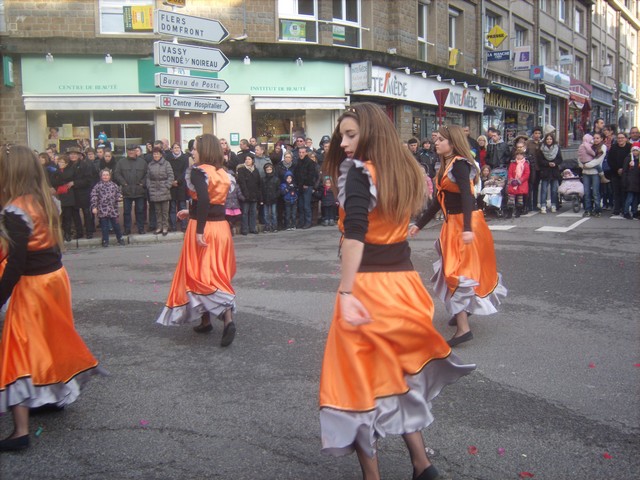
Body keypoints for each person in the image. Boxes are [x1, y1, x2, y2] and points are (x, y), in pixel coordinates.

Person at [319, 105, 476, 480]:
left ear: (371, 133)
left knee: (355, 382)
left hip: (369, 287)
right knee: (394, 375)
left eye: (351, 134)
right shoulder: (404, 170)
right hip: (404, 285)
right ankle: (422, 464)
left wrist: (346, 291)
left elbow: (355, 231)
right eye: (342, 135)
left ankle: (373, 476)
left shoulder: (359, 173)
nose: (344, 143)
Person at [0, 144, 104, 452]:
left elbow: (16, 262)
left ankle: (20, 430)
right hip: (55, 278)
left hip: (33, 285)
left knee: (18, 347)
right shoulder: (47, 201)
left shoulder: (15, 208)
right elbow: (53, 248)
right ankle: (52, 397)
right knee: (51, 338)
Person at [409, 124, 506, 346]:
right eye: (436, 140)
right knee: (452, 272)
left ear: (452, 142)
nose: (436, 143)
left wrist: (468, 229)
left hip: (463, 224)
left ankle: (463, 328)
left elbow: (467, 196)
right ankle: (462, 312)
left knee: (455, 274)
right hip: (454, 225)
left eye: (441, 140)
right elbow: (438, 201)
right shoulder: (446, 165)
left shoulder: (460, 165)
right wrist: (420, 224)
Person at [156, 134, 237, 347]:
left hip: (204, 228)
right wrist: (188, 211)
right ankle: (208, 320)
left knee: (200, 274)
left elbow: (204, 200)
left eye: (195, 148)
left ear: (204, 150)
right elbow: (215, 203)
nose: (192, 151)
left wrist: (199, 228)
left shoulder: (199, 171)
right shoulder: (223, 173)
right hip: (221, 228)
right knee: (216, 272)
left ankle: (224, 318)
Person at [115, 144, 147, 234]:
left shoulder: (142, 162)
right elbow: (117, 173)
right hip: (127, 190)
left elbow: (147, 174)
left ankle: (140, 228)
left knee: (140, 211)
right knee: (126, 212)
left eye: (132, 150)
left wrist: (142, 183)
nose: (131, 152)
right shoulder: (121, 162)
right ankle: (127, 229)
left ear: (136, 151)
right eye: (129, 151)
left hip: (139, 191)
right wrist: (123, 183)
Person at [90, 169, 126, 247]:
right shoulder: (98, 186)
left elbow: (118, 194)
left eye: (107, 175)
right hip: (102, 210)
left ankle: (120, 238)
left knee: (116, 226)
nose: (105, 176)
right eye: (104, 175)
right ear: (101, 176)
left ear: (110, 176)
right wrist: (94, 207)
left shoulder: (114, 185)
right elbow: (94, 197)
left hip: (113, 210)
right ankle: (105, 240)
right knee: (104, 227)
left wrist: (119, 197)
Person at [146, 146, 174, 236]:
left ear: (161, 155)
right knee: (157, 211)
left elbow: (171, 176)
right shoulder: (150, 164)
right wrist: (149, 186)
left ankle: (165, 227)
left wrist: (167, 186)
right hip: (154, 189)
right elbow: (148, 177)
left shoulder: (166, 164)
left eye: (157, 154)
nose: (156, 155)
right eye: (154, 154)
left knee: (165, 211)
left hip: (164, 189)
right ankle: (159, 227)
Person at [51, 154, 79, 242]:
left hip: (68, 196)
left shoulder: (70, 170)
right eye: (59, 162)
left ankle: (67, 233)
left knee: (67, 216)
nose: (60, 164)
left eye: (62, 162)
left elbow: (66, 178)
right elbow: (53, 181)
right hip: (59, 195)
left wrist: (60, 179)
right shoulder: (55, 171)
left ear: (66, 163)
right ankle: (60, 233)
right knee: (59, 216)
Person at [579, 132, 606, 217]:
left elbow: (598, 160)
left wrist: (586, 165)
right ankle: (588, 209)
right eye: (594, 138)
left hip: (595, 172)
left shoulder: (602, 147)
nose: (595, 140)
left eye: (598, 138)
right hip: (585, 172)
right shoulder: (587, 145)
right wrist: (582, 165)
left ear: (601, 139)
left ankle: (597, 209)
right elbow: (580, 156)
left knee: (595, 192)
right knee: (586, 192)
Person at [606, 132, 631, 216]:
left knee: (624, 191)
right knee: (616, 191)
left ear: (626, 139)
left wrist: (624, 169)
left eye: (622, 138)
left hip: (626, 173)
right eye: (618, 138)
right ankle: (617, 208)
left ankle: (624, 208)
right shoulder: (614, 148)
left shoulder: (629, 147)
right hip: (615, 172)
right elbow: (610, 160)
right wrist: (617, 169)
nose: (620, 139)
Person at [166, 142, 189, 232]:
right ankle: (173, 226)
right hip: (171, 185)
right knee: (172, 207)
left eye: (178, 148)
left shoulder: (185, 158)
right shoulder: (168, 158)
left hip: (181, 185)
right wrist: (172, 181)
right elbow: (167, 170)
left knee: (182, 206)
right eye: (175, 148)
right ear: (172, 149)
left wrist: (178, 181)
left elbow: (185, 171)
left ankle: (183, 225)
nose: (176, 149)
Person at [237, 155, 262, 235]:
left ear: (252, 160)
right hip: (245, 194)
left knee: (253, 212)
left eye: (249, 159)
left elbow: (258, 183)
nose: (247, 160)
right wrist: (245, 193)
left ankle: (253, 228)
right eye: (246, 159)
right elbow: (242, 183)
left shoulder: (256, 170)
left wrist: (258, 194)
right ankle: (244, 229)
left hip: (254, 194)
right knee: (244, 212)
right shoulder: (241, 169)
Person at [538, 133, 563, 214]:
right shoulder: (542, 148)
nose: (549, 141)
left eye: (550, 139)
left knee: (554, 189)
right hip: (545, 171)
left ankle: (554, 205)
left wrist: (555, 163)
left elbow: (560, 159)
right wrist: (547, 163)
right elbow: (540, 160)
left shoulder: (557, 148)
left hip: (554, 171)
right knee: (544, 189)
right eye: (547, 139)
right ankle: (543, 205)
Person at [293, 146, 317, 229]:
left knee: (306, 205)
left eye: (303, 152)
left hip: (307, 186)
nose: (301, 154)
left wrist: (306, 184)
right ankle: (301, 222)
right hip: (299, 186)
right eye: (299, 152)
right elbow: (296, 173)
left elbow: (311, 175)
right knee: (300, 205)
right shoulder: (297, 162)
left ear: (306, 153)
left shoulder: (310, 162)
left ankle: (308, 222)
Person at [506, 151, 531, 218]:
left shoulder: (526, 164)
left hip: (521, 184)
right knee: (511, 199)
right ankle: (510, 212)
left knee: (520, 199)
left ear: (523, 156)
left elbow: (526, 174)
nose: (519, 156)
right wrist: (511, 180)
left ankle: (518, 211)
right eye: (517, 155)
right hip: (513, 183)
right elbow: (510, 172)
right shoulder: (512, 164)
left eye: (520, 155)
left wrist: (520, 180)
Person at [622, 142, 640, 219]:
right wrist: (625, 181)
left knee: (636, 198)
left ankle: (634, 211)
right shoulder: (628, 159)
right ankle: (626, 212)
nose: (635, 152)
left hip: (637, 182)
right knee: (629, 198)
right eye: (634, 150)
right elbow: (625, 171)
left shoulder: (638, 160)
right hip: (630, 181)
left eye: (637, 150)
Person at [261, 163, 279, 232]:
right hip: (265, 198)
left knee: (273, 213)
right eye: (267, 170)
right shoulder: (263, 179)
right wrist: (262, 199)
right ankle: (267, 226)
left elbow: (278, 189)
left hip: (273, 198)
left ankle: (274, 226)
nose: (269, 171)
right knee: (266, 214)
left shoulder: (276, 179)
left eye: (270, 169)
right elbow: (261, 189)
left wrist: (276, 196)